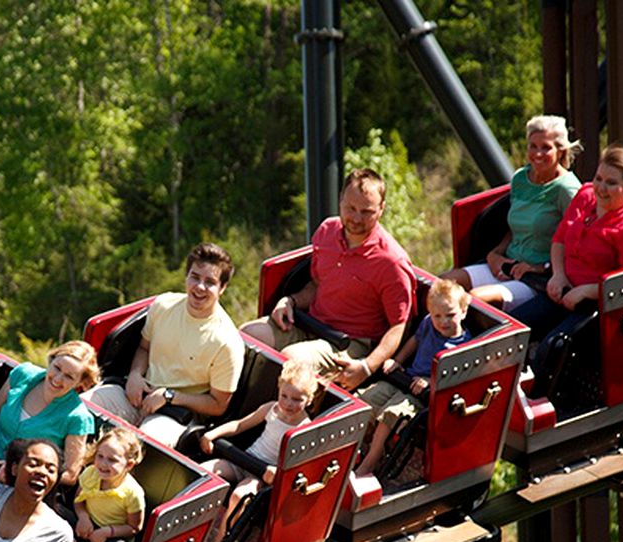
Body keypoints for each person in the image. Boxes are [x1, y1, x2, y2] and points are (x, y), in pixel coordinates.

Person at [240, 169, 416, 393]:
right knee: (247, 336)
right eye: (350, 208)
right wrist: (290, 301)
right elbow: (316, 284)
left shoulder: (391, 262)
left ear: (381, 209)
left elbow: (399, 325)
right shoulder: (327, 231)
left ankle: (267, 422)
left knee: (292, 362)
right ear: (341, 199)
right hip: (313, 324)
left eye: (366, 212)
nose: (356, 218)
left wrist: (367, 366)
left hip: (349, 343)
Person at [84, 242, 245, 448]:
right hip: (138, 395)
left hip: (176, 415)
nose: (200, 287)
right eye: (195, 277)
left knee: (137, 446)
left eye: (210, 282)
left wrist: (170, 396)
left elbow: (218, 404)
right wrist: (135, 375)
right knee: (81, 408)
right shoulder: (164, 305)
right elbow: (144, 348)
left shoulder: (227, 342)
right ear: (186, 276)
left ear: (222, 288)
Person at [511, 145, 623, 349]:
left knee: (553, 348)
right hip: (563, 288)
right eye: (598, 178)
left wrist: (587, 291)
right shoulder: (586, 196)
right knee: (514, 329)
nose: (600, 188)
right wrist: (558, 274)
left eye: (611, 183)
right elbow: (560, 239)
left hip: (598, 305)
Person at [444, 115, 582, 310]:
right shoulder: (521, 178)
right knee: (444, 286)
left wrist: (540, 267)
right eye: (533, 146)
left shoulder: (567, 190)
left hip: (537, 277)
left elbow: (576, 243)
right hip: (508, 263)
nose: (537, 154)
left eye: (545, 147)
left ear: (560, 151)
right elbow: (515, 227)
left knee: (475, 301)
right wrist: (496, 254)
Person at [197, 359, 319, 542]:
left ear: (309, 400)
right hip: (245, 460)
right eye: (284, 396)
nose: (288, 403)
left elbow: (299, 466)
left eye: (297, 400)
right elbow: (240, 425)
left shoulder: (304, 429)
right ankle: (197, 525)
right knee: (203, 473)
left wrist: (277, 472)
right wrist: (212, 434)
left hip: (261, 473)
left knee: (239, 496)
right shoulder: (271, 408)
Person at [356, 279, 473, 476]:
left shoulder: (463, 346)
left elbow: (455, 379)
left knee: (391, 414)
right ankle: (360, 448)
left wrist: (430, 381)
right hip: (405, 379)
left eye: (450, 315)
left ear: (463, 311)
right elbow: (415, 341)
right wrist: (398, 361)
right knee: (367, 399)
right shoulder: (429, 324)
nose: (443, 321)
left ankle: (371, 459)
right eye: (437, 316)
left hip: (422, 395)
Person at [0, 341, 99, 486]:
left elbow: (70, 475)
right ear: (51, 360)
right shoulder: (23, 374)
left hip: (21, 485)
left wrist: (23, 471)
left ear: (80, 383)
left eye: (69, 377)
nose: (58, 379)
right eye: (57, 368)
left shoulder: (77, 418)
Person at [74, 427, 146, 542]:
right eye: (100, 456)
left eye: (112, 460)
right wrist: (83, 517)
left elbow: (134, 527)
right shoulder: (90, 474)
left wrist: (107, 532)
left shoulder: (133, 494)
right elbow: (78, 500)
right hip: (87, 526)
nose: (103, 464)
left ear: (129, 465)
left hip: (112, 541)